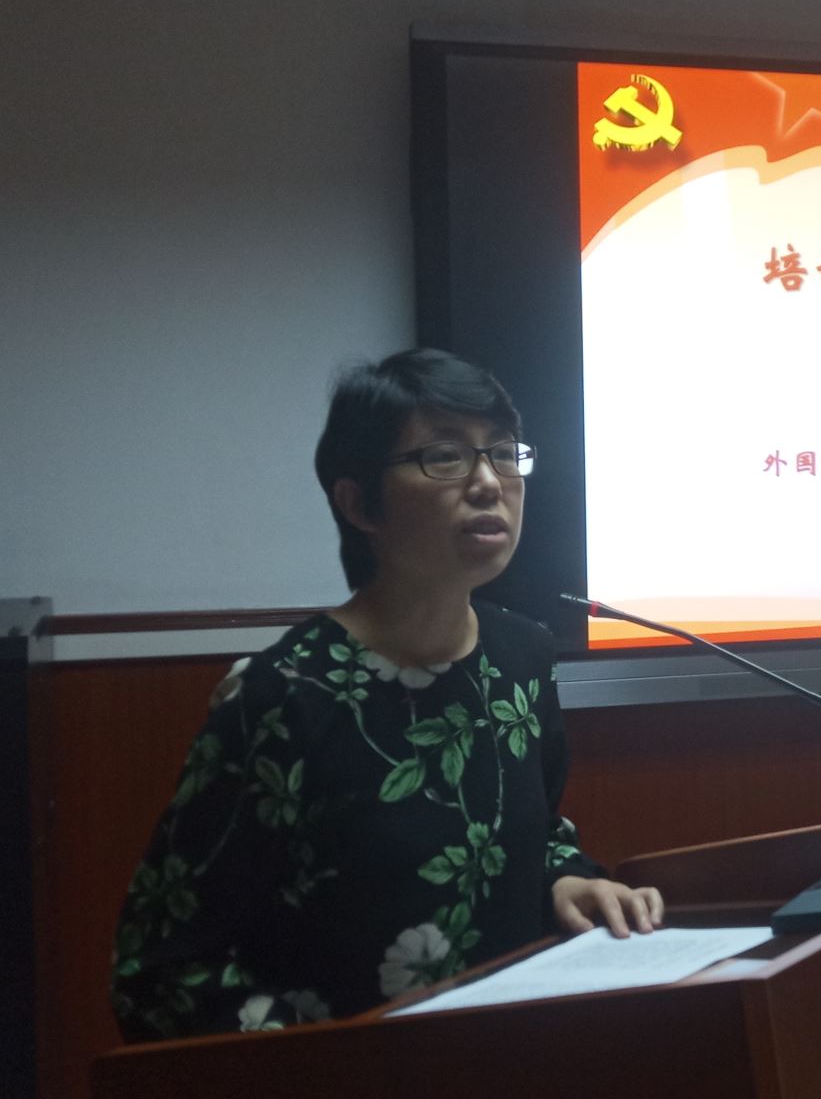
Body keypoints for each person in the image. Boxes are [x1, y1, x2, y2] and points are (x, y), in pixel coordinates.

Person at [111, 348, 663, 1042]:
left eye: (502, 453)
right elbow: (162, 972)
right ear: (359, 503)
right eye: (445, 457)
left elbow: (532, 833)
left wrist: (565, 881)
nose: (488, 483)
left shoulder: (521, 657)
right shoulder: (284, 697)